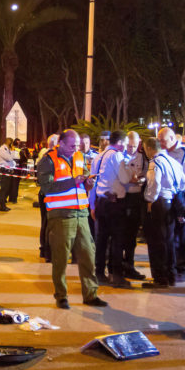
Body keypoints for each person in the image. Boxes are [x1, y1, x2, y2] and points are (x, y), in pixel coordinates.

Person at [36, 129, 104, 308]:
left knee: (88, 255)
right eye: (72, 145)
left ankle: (90, 294)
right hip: (61, 217)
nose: (75, 148)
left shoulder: (80, 157)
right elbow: (47, 187)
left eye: (77, 145)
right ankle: (61, 296)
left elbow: (85, 179)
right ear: (61, 143)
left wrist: (89, 183)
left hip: (81, 214)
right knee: (60, 259)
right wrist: (73, 182)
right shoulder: (48, 160)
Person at [142, 136, 185, 288]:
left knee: (157, 242)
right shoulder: (173, 161)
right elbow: (184, 183)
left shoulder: (155, 162)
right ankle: (171, 275)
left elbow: (154, 184)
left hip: (160, 203)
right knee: (169, 240)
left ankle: (160, 278)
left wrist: (149, 200)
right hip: (172, 203)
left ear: (149, 148)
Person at [91, 131, 132, 288]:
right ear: (120, 142)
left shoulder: (100, 156)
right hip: (114, 203)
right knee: (117, 240)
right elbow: (124, 179)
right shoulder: (117, 156)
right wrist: (132, 176)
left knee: (101, 240)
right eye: (126, 143)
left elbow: (94, 180)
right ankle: (116, 275)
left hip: (102, 201)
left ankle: (99, 272)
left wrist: (92, 204)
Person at [159, 127, 185, 281]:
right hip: (170, 198)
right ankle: (173, 268)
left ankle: (184, 270)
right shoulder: (164, 152)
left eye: (162, 140)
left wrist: (181, 203)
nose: (160, 143)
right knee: (172, 235)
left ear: (171, 139)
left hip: (183, 198)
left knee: (183, 235)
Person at [119, 131, 148, 280]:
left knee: (131, 235)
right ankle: (118, 266)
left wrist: (139, 180)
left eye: (134, 146)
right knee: (119, 234)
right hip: (122, 198)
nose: (131, 149)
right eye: (129, 146)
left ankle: (129, 265)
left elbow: (146, 175)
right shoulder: (119, 156)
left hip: (136, 198)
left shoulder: (142, 158)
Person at [37, 133, 59, 261]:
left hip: (47, 194)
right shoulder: (48, 157)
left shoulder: (48, 156)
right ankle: (46, 251)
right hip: (47, 194)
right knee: (48, 223)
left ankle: (44, 249)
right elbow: (46, 179)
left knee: (46, 222)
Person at [0, 140, 17, 212]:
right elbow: (10, 158)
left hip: (7, 171)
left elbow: (12, 160)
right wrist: (12, 150)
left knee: (7, 188)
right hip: (3, 171)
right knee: (4, 189)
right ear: (10, 143)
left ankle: (3, 205)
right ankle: (2, 206)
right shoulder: (3, 149)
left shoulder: (6, 149)